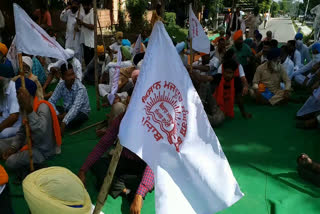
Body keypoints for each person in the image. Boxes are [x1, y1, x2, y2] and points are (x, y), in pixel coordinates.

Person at [0, 77, 61, 170]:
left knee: (10, 162)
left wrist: (29, 110)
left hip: (42, 150)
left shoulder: (43, 107)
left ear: (27, 95)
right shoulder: (23, 107)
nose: (17, 97)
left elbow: (40, 132)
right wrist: (13, 148)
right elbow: (22, 132)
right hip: (27, 141)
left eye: (19, 94)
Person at [49, 63, 90, 135]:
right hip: (66, 109)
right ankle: (59, 119)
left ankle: (59, 120)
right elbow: (51, 101)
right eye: (69, 75)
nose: (72, 77)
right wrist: (57, 114)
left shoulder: (80, 88)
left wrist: (64, 123)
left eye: (73, 74)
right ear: (62, 77)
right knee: (48, 108)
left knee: (73, 120)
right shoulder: (61, 85)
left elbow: (75, 108)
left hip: (81, 111)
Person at [0, 71, 20, 139]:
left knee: (3, 134)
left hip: (16, 125)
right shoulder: (2, 88)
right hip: (4, 119)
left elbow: (13, 117)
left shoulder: (13, 88)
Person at [78, 0, 94, 66]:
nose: (84, 7)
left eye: (85, 6)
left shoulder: (92, 13)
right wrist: (80, 24)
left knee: (90, 62)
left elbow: (93, 26)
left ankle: (92, 75)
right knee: (87, 61)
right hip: (85, 41)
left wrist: (83, 23)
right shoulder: (86, 13)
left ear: (90, 5)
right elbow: (84, 27)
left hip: (90, 42)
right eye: (83, 6)